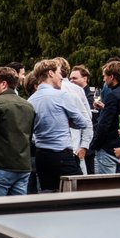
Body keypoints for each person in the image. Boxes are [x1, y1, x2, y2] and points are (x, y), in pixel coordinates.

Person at [28, 59, 91, 192]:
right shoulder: (61, 95)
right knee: (79, 193)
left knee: (48, 196)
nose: (61, 76)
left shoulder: (31, 100)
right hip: (62, 154)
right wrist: (67, 121)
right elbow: (83, 122)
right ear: (50, 73)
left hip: (41, 156)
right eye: (58, 72)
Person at [0, 67, 35, 196]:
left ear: (3, 84)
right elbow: (29, 135)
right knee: (17, 211)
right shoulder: (28, 105)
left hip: (1, 165)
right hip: (23, 166)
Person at [90, 60, 120, 175]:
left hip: (108, 149)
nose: (103, 79)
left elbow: (104, 124)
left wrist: (95, 145)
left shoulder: (113, 95)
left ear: (112, 77)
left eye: (104, 76)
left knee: (104, 188)